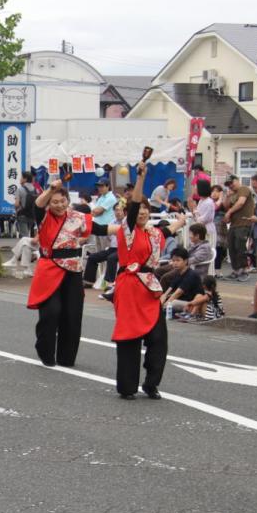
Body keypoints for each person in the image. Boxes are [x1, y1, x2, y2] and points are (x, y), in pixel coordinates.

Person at [112, 162, 168, 399]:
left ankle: (151, 383)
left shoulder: (155, 233)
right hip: (129, 285)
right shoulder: (127, 229)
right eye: (139, 208)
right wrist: (141, 178)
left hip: (150, 288)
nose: (143, 211)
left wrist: (180, 223)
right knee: (130, 338)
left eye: (146, 207)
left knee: (158, 339)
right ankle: (127, 386)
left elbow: (159, 252)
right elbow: (133, 206)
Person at [27, 178, 92, 367]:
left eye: (62, 201)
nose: (59, 205)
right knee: (51, 312)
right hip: (50, 270)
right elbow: (37, 204)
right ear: (49, 203)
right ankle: (45, 350)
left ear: (68, 201)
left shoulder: (76, 217)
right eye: (54, 202)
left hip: (73, 270)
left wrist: (123, 229)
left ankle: (66, 357)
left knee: (72, 315)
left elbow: (99, 228)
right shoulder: (43, 217)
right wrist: (50, 189)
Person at [161, 247, 210, 321]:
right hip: (183, 302)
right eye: (173, 260)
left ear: (186, 261)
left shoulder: (191, 274)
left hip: (192, 303)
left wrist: (165, 304)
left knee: (172, 303)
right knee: (163, 299)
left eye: (178, 260)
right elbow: (169, 289)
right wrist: (163, 297)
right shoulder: (178, 273)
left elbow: (178, 293)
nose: (175, 263)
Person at [222, 174, 255, 280]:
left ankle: (244, 270)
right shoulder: (233, 194)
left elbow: (241, 203)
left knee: (240, 246)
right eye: (228, 184)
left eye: (231, 183)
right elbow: (225, 206)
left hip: (244, 223)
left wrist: (229, 212)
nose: (230, 185)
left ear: (237, 180)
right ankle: (236, 270)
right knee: (231, 246)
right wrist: (227, 196)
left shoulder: (243, 189)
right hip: (234, 224)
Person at [14, 171, 38, 238]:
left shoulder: (20, 189)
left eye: (21, 177)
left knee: (24, 236)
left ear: (25, 179)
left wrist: (16, 210)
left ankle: (26, 248)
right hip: (32, 216)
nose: (20, 179)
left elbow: (16, 204)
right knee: (27, 233)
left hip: (22, 215)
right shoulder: (35, 190)